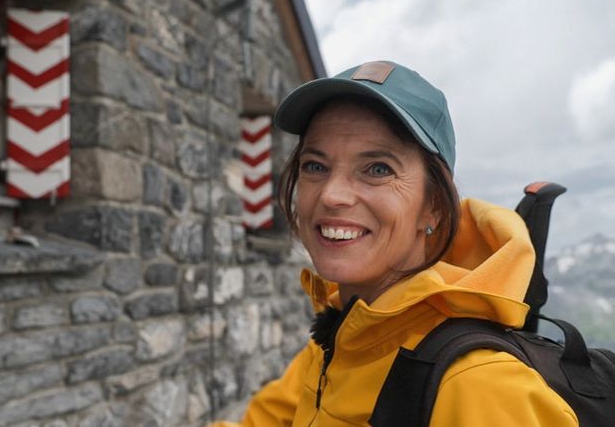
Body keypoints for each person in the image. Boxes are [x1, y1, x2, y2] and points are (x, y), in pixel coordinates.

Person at [212, 61, 579, 426]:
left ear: (434, 206)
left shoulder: (478, 386)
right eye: (315, 165)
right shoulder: (341, 340)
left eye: (378, 169)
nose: (332, 194)